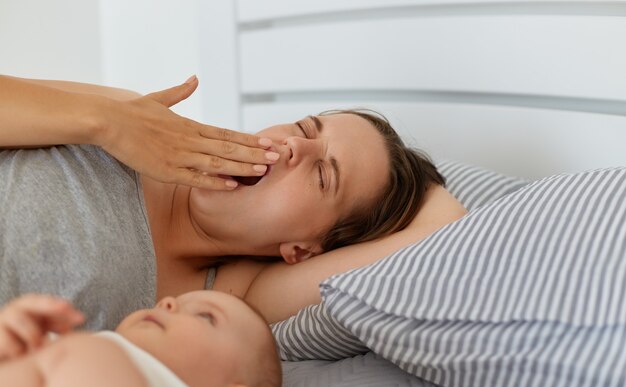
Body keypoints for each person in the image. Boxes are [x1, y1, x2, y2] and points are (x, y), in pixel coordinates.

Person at [0, 75, 467, 329]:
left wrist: (417, 181)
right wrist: (106, 121)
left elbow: (444, 227)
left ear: (302, 250)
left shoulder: (225, 300)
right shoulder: (133, 118)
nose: (293, 148)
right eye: (304, 130)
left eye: (323, 175)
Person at [0, 292, 282, 387]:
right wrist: (14, 331)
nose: (168, 301)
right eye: (169, 300)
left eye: (207, 317)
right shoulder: (90, 350)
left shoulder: (101, 357)